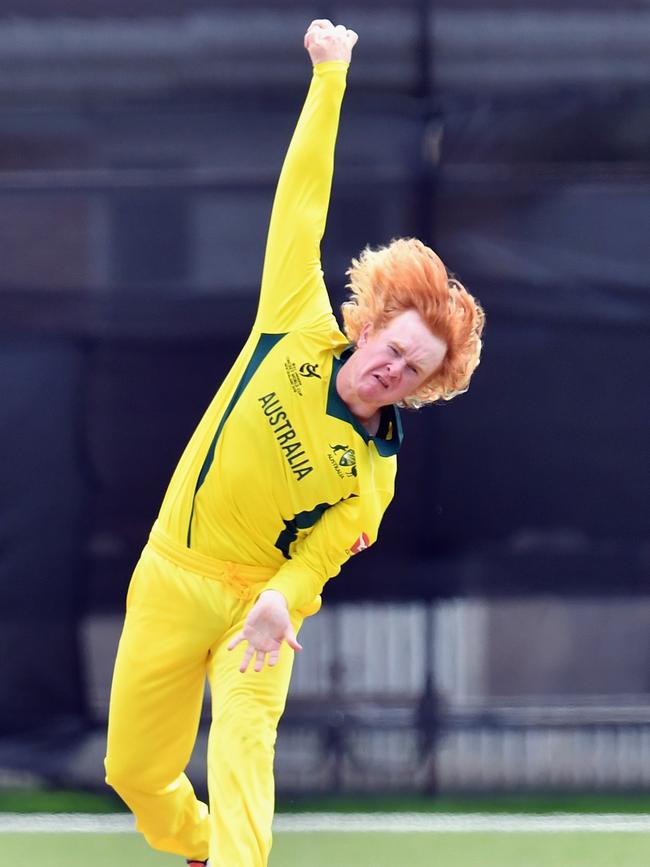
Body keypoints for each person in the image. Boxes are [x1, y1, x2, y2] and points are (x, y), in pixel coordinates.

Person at [104, 18, 484, 867]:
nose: (393, 368)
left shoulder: (373, 473)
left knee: (245, 745)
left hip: (257, 604)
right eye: (395, 347)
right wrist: (331, 78)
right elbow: (302, 200)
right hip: (173, 570)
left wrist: (285, 600)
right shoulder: (294, 323)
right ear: (374, 322)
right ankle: (196, 844)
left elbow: (318, 557)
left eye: (414, 370)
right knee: (134, 772)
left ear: (424, 388)